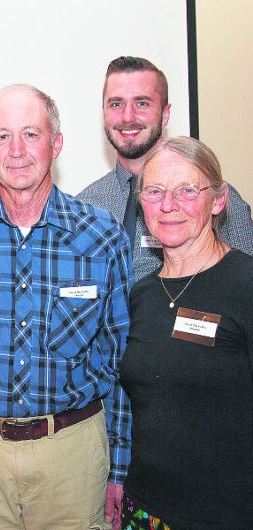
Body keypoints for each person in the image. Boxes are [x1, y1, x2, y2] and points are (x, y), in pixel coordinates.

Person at [0, 84, 132, 530]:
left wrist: (119, 469)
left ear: (56, 143)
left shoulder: (102, 237)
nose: (16, 151)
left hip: (73, 454)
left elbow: (119, 364)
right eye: (2, 137)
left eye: (31, 134)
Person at [119, 136, 253, 529]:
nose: (168, 205)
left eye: (187, 191)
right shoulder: (141, 295)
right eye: (155, 191)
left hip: (227, 515)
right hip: (145, 510)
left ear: (218, 200)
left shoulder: (246, 285)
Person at [77, 56, 253, 282]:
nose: (128, 117)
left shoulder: (210, 199)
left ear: (166, 113)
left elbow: (245, 290)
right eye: (116, 104)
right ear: (104, 113)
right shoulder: (86, 206)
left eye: (142, 103)